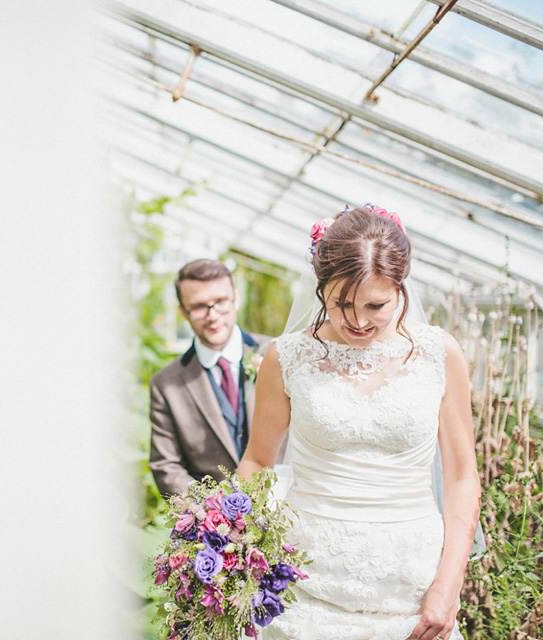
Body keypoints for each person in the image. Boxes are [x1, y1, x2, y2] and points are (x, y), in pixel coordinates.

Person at [238, 205, 482, 640]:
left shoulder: (439, 354)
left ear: (400, 287)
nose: (358, 321)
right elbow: (257, 462)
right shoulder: (286, 357)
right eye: (341, 303)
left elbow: (462, 476)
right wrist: (228, 542)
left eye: (376, 305)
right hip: (303, 590)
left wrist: (448, 584)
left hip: (411, 592)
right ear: (320, 290)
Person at [149, 259, 272, 497]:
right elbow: (166, 466)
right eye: (199, 307)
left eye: (221, 302)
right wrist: (212, 509)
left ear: (235, 298)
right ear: (183, 311)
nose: (213, 316)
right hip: (214, 526)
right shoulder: (166, 384)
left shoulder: (276, 353)